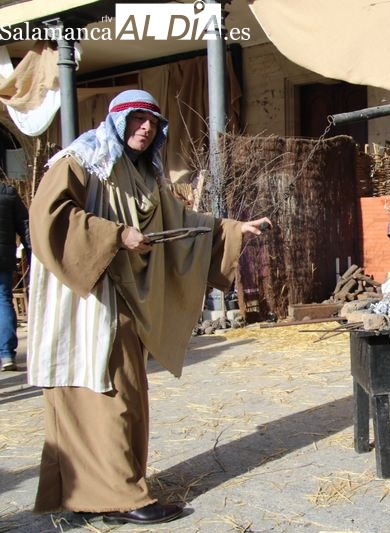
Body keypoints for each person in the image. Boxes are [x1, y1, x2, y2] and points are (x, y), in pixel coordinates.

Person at [26, 89, 271, 525]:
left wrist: (232, 230)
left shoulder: (144, 175)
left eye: (153, 122)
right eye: (137, 119)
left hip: (120, 299)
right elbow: (50, 217)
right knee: (108, 392)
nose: (146, 128)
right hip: (85, 300)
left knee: (125, 392)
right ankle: (121, 497)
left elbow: (179, 225)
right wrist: (116, 235)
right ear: (117, 122)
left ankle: (106, 495)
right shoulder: (81, 160)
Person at [0, 178, 30, 371]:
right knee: (3, 300)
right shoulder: (8, 193)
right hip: (4, 258)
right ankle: (7, 355)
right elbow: (26, 226)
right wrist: (33, 250)